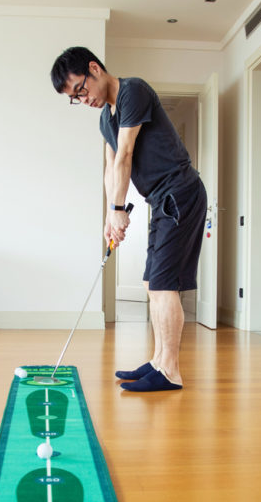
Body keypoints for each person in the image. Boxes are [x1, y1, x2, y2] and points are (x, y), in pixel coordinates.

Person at [51, 46, 207, 392]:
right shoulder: (105, 119)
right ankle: (158, 361)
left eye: (80, 89)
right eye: (74, 98)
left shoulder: (133, 91)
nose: (83, 99)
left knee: (165, 285)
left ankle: (170, 371)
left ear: (94, 68)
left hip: (180, 193)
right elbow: (110, 168)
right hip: (160, 200)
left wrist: (120, 209)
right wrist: (111, 214)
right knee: (153, 284)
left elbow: (125, 155)